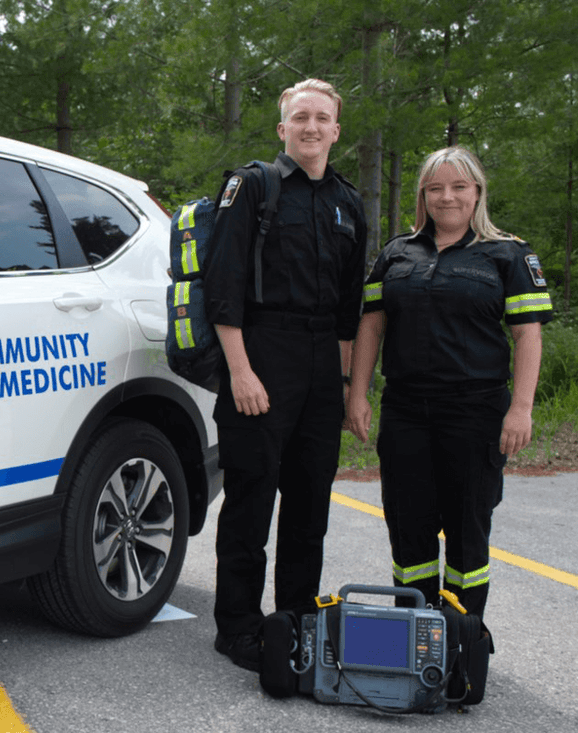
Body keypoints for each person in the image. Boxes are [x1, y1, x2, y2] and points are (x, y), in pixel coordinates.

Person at [345, 146, 553, 619]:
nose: (447, 197)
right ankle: (417, 642)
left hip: (475, 413)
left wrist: (520, 409)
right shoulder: (397, 252)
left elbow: (527, 334)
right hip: (405, 413)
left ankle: (462, 644)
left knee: (467, 531)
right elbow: (371, 326)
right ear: (423, 194)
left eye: (459, 186)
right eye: (435, 188)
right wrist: (357, 394)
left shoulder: (508, 254)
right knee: (408, 527)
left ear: (477, 191)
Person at [204, 78, 368, 670]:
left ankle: (295, 617)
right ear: (282, 128)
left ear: (336, 131)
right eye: (300, 117)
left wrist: (352, 390)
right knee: (251, 496)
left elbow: (351, 311)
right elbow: (222, 289)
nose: (312, 126)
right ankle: (239, 627)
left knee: (309, 502)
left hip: (323, 362)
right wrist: (241, 373)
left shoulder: (350, 204)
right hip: (262, 354)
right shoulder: (253, 186)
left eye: (323, 118)